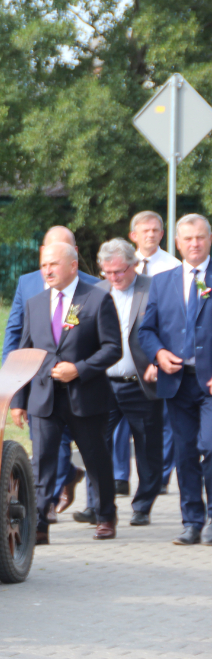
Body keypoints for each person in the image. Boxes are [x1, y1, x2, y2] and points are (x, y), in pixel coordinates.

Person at [11, 242, 121, 543]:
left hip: (85, 395)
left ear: (73, 266)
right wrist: (18, 401)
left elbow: (113, 348)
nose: (47, 270)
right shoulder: (35, 303)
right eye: (44, 265)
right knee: (42, 463)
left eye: (54, 264)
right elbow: (25, 352)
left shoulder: (96, 299)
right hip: (44, 397)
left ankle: (105, 516)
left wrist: (80, 369)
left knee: (96, 459)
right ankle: (40, 523)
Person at [3, 226, 96, 517]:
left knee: (68, 442)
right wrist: (13, 382)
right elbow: (15, 333)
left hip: (80, 384)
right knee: (48, 445)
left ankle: (56, 503)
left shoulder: (93, 287)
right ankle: (57, 489)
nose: (51, 262)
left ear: (73, 257)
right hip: (40, 381)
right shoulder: (27, 283)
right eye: (47, 253)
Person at [72, 239, 162, 527]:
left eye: (120, 271)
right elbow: (73, 331)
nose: (114, 278)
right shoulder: (92, 292)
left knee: (148, 446)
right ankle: (97, 505)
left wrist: (158, 362)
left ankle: (142, 505)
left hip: (140, 381)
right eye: (108, 273)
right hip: (100, 383)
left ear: (134, 264)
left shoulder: (153, 288)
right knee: (94, 445)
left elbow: (169, 328)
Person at [138, 213, 212, 545]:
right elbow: (146, 330)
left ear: (209, 239)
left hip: (209, 383)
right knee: (184, 453)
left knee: (209, 447)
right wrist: (159, 354)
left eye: (200, 237)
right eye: (188, 239)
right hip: (178, 382)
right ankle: (192, 520)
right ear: (178, 243)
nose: (194, 244)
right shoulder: (163, 281)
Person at [130, 210, 182, 495]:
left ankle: (161, 476)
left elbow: (175, 322)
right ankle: (118, 477)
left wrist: (156, 357)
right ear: (133, 235)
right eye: (145, 230)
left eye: (155, 230)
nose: (151, 235)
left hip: (160, 355)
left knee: (162, 421)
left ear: (162, 235)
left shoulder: (173, 267)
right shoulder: (124, 266)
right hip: (125, 358)